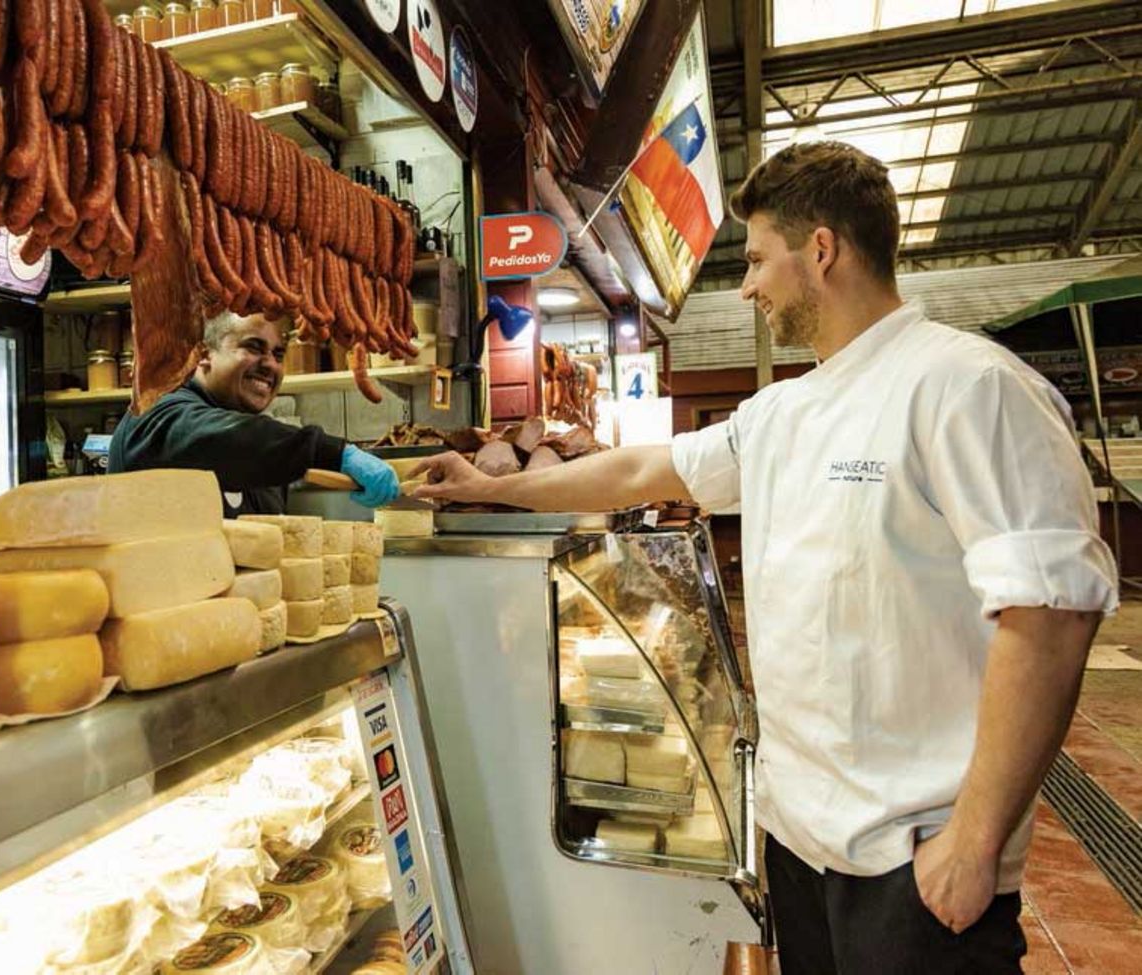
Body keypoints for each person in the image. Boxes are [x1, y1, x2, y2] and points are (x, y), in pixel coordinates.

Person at [413, 142, 1118, 974]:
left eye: (754, 260)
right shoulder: (784, 410)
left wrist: (974, 839)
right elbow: (645, 468)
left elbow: (1051, 616)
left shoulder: (967, 386)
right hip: (797, 839)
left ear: (820, 251)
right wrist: (489, 491)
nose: (745, 286)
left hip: (912, 858)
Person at [109, 311, 399, 514]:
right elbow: (222, 438)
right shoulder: (156, 413)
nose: (270, 365)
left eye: (278, 354)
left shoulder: (260, 448)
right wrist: (333, 453)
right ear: (202, 355)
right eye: (253, 347)